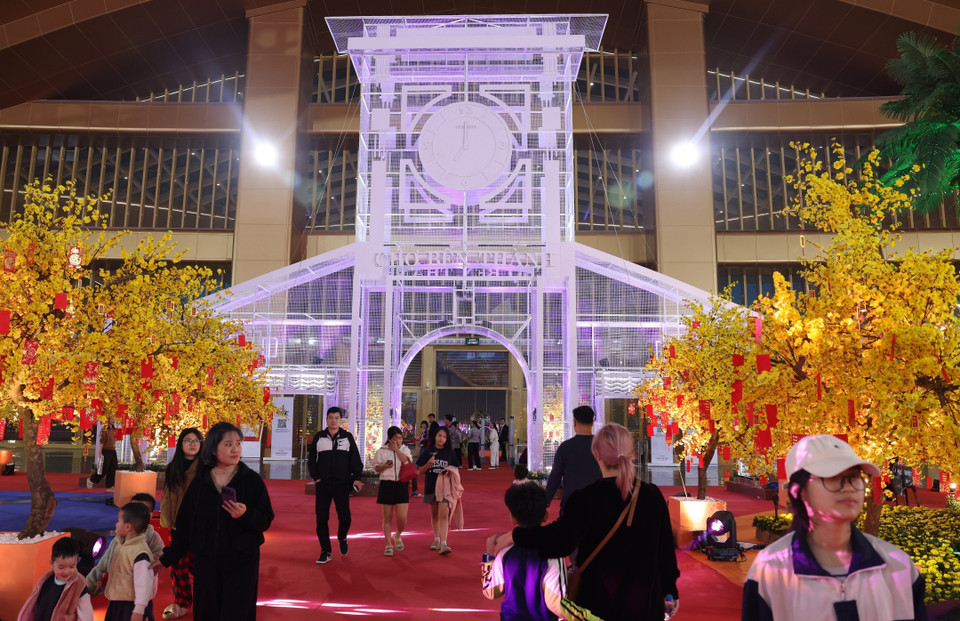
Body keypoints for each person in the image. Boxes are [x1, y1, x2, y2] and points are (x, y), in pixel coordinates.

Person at [489, 422, 680, 621]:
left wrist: (514, 535)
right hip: (645, 603)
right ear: (632, 453)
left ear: (596, 454)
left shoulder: (585, 499)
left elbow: (558, 542)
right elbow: (665, 551)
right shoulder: (652, 495)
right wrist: (670, 591)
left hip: (597, 604)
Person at [742, 435, 929, 621]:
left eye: (854, 477)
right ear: (798, 491)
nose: (848, 488)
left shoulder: (897, 566)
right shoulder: (772, 569)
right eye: (832, 477)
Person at [154, 422, 274, 621]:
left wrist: (245, 515)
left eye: (238, 443)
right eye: (228, 444)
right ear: (213, 448)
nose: (235, 449)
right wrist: (168, 557)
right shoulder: (201, 481)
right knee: (206, 611)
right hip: (206, 560)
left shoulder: (251, 481)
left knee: (236, 613)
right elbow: (185, 524)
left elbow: (265, 519)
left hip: (241, 561)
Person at [482, 482, 566, 621]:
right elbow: (556, 602)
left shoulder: (504, 553)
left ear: (513, 518)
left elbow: (490, 591)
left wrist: (489, 557)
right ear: (545, 516)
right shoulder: (553, 553)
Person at [308, 406, 364, 564]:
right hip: (323, 485)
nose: (333, 420)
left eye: (337, 418)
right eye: (331, 418)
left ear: (340, 420)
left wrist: (357, 478)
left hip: (342, 484)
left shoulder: (347, 437)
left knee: (345, 518)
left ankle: (342, 537)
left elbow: (355, 460)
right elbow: (312, 460)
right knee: (321, 519)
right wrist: (316, 477)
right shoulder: (319, 437)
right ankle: (325, 551)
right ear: (326, 419)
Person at [158, 428, 203, 620]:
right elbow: (168, 496)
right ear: (181, 444)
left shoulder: (205, 468)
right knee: (179, 566)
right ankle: (182, 603)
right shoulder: (173, 467)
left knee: (200, 565)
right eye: (188, 440)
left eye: (196, 441)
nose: (192, 444)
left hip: (199, 525)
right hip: (176, 524)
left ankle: (206, 601)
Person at [87, 493, 164, 597]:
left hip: (137, 594)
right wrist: (88, 584)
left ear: (150, 515)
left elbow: (154, 565)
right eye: (130, 510)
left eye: (139, 512)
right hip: (116, 591)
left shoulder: (153, 540)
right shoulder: (118, 540)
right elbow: (103, 565)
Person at [104, 502, 158, 621]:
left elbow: (144, 584)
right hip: (118, 602)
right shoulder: (123, 545)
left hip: (131, 606)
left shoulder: (140, 553)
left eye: (118, 521)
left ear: (128, 527)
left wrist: (139, 610)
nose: (116, 524)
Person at [18, 537, 94, 621]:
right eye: (61, 567)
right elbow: (33, 606)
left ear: (76, 563)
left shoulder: (79, 585)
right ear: (52, 564)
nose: (66, 571)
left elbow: (86, 614)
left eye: (72, 566)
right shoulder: (44, 582)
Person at [544, 405, 602, 512]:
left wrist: (546, 501)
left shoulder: (565, 447)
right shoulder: (602, 446)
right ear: (592, 423)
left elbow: (555, 477)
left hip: (571, 504)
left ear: (574, 422)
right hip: (598, 504)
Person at [417, 426, 461, 554]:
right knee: (434, 514)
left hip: (445, 489)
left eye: (444, 437)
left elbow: (456, 471)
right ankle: (436, 539)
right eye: (440, 435)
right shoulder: (427, 452)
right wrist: (429, 463)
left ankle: (444, 543)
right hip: (431, 486)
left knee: (444, 514)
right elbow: (420, 471)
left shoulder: (450, 453)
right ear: (435, 436)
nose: (442, 438)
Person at [373, 426, 413, 557]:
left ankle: (397, 535)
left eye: (400, 438)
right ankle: (388, 544)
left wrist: (396, 450)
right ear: (389, 439)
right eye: (395, 438)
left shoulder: (405, 449)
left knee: (403, 518)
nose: (398, 440)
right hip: (387, 484)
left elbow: (407, 462)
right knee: (387, 516)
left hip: (401, 484)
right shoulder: (382, 451)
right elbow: (375, 468)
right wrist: (384, 466)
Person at [87, 418, 117, 492]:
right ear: (108, 420)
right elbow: (102, 441)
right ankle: (91, 480)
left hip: (113, 451)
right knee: (104, 469)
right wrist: (100, 452)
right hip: (106, 450)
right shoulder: (105, 429)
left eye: (115, 419)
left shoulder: (114, 429)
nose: (114, 421)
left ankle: (110, 486)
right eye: (112, 419)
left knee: (113, 468)